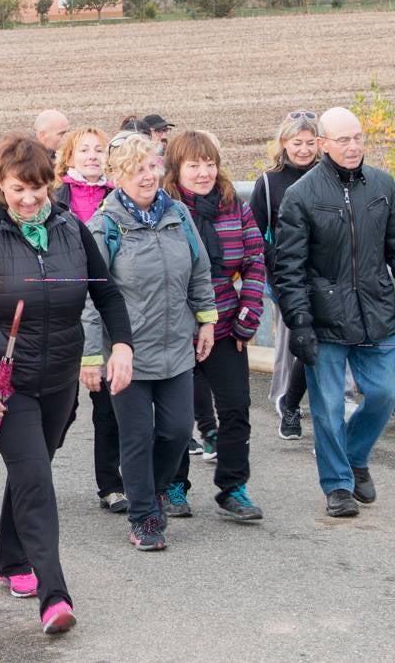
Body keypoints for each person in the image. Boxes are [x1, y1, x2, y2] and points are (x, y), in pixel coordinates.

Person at [0, 134, 133, 636]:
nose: (28, 200)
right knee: (36, 480)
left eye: (36, 189)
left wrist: (121, 346)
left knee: (33, 470)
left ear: (50, 185)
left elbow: (108, 294)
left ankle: (11, 560)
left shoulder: (73, 228)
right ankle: (55, 596)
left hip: (59, 380)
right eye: (16, 190)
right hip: (5, 387)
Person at [274, 108, 395, 518]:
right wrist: (300, 323)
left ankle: (355, 454)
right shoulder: (302, 195)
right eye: (343, 140)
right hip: (325, 319)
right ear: (324, 145)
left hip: (376, 311)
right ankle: (338, 486)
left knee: (386, 392)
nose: (353, 146)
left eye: (358, 137)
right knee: (326, 406)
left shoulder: (381, 185)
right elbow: (288, 268)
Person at [84, 134, 216, 551]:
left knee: (177, 431)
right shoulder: (104, 225)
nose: (147, 176)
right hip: (126, 353)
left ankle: (154, 490)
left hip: (176, 344)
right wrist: (91, 355)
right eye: (137, 169)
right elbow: (91, 295)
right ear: (118, 174)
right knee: (136, 437)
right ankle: (144, 517)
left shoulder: (177, 213)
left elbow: (199, 269)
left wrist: (206, 319)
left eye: (152, 167)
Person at [163, 130, 267, 521]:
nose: (204, 173)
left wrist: (248, 313)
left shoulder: (233, 206)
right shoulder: (164, 209)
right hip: (176, 329)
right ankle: (172, 484)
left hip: (225, 324)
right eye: (194, 165)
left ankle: (233, 487)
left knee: (236, 407)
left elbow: (256, 258)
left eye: (210, 164)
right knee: (174, 415)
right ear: (176, 169)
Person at [53, 126, 124, 511]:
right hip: (64, 311)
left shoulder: (118, 197)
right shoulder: (56, 198)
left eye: (99, 150)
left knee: (108, 405)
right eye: (85, 150)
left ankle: (110, 485)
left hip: (102, 308)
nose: (93, 156)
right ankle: (36, 464)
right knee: (63, 406)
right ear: (70, 157)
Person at [249, 110, 320, 439]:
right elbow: (255, 232)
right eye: (297, 142)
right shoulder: (269, 182)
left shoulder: (328, 176)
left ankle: (306, 401)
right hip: (286, 277)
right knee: (296, 341)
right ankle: (285, 400)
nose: (303, 149)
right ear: (283, 143)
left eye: (309, 142)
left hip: (325, 275)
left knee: (321, 341)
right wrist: (274, 269)